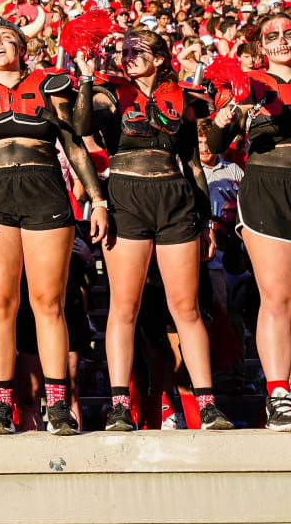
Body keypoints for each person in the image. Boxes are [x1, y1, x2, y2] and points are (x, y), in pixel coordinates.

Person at [0, 14, 108, 435]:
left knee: (48, 303)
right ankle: (1, 405)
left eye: (7, 38)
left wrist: (97, 199)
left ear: (22, 48)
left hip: (45, 191)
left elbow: (75, 144)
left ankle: (57, 404)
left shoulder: (48, 83)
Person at [74, 28, 230, 430]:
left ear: (160, 57)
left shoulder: (182, 97)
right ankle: (120, 405)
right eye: (124, 50)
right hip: (126, 197)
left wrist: (206, 222)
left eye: (137, 50)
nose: (128, 56)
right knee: (124, 308)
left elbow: (194, 165)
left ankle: (208, 404)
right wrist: (88, 76)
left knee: (187, 309)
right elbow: (80, 125)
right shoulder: (111, 94)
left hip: (174, 198)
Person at [207, 12, 291, 430]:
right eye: (272, 35)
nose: (282, 40)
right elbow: (218, 144)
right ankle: (279, 394)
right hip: (267, 189)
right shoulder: (250, 84)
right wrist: (225, 115)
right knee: (276, 298)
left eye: (288, 32)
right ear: (261, 46)